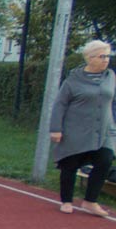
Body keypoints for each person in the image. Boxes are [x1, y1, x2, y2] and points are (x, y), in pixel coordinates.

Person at [49, 39, 115, 217]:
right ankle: (66, 200)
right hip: (76, 129)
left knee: (105, 159)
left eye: (108, 56)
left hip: (103, 131)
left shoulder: (110, 77)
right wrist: (56, 128)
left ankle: (90, 201)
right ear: (90, 58)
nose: (106, 60)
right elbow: (60, 104)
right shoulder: (73, 80)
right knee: (70, 164)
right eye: (102, 56)